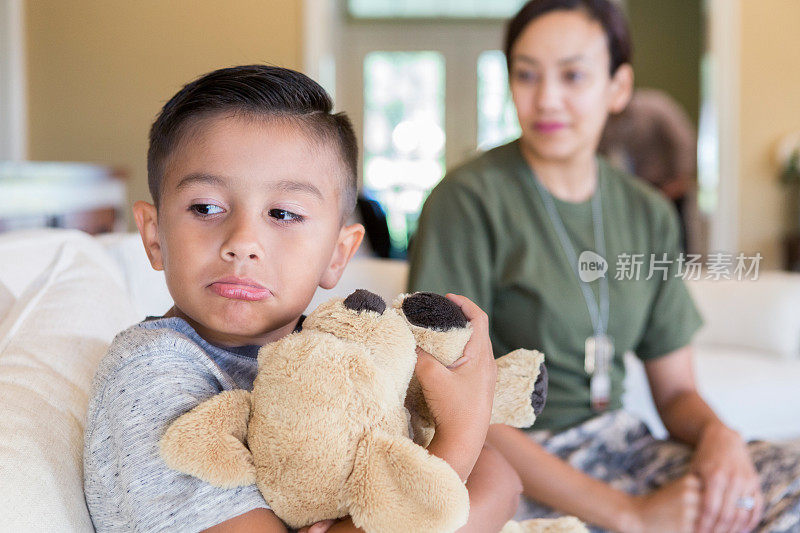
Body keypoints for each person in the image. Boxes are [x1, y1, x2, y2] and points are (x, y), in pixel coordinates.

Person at [408, 1, 800, 532]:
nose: (547, 98)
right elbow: (447, 403)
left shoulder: (648, 211)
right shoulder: (467, 200)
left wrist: (718, 438)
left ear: (618, 87)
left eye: (573, 75)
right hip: (509, 463)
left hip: (622, 448)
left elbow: (677, 391)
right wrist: (630, 515)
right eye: (526, 74)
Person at [83, 65, 522, 533]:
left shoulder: (338, 356)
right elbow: (479, 483)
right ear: (153, 235)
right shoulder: (152, 370)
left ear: (338, 254)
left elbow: (502, 480)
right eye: (206, 207)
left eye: (284, 213)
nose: (244, 241)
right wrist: (460, 437)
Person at [598, 87, 699, 251]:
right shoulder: (609, 121)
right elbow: (602, 150)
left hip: (671, 182)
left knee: (677, 234)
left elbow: (683, 140)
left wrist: (681, 179)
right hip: (642, 184)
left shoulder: (655, 107)